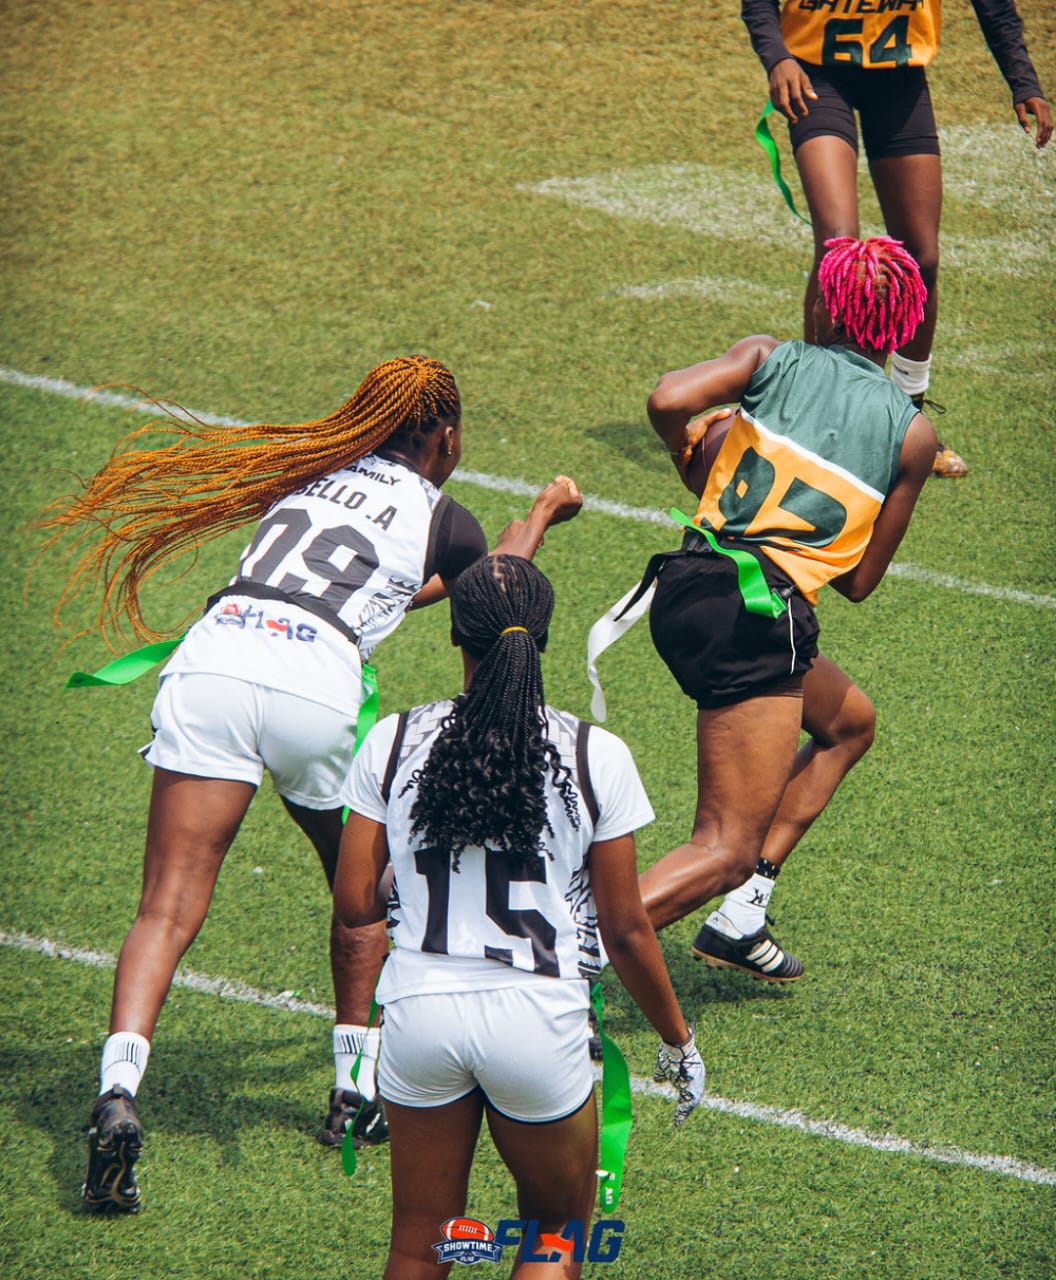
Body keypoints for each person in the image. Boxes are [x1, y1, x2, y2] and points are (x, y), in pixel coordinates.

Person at [36, 355, 582, 1213]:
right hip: (315, 686)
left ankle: (118, 1088)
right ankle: (353, 1094)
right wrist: (544, 512)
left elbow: (369, 586)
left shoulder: (310, 470)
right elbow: (494, 591)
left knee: (166, 905)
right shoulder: (447, 518)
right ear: (445, 437)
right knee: (358, 893)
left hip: (217, 658)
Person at [333, 554, 705, 1280]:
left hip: (420, 1012)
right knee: (552, 1235)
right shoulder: (596, 754)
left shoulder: (393, 741)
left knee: (419, 1241)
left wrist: (408, 873)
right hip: (536, 1017)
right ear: (543, 638)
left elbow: (355, 906)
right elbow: (626, 929)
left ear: (454, 633)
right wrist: (676, 1038)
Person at [592, 237, 935, 982]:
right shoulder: (912, 434)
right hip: (758, 618)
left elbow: (668, 401)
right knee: (722, 849)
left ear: (823, 303)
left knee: (849, 724)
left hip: (686, 584)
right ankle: (555, 949)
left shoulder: (767, 356)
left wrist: (689, 455)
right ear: (905, 325)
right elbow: (859, 581)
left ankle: (743, 914)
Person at [742, 0, 1053, 478]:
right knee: (838, 247)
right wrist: (777, 57)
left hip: (899, 78)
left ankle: (906, 418)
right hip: (814, 73)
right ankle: (818, 417)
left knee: (921, 257)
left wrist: (1023, 80)